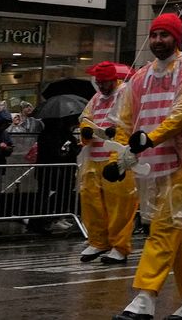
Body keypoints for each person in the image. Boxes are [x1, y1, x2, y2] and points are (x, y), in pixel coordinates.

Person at [110, 15, 182, 320]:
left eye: (164, 35)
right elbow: (126, 120)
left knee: (163, 228)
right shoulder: (141, 76)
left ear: (178, 38)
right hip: (152, 165)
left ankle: (145, 297)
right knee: (177, 230)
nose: (158, 40)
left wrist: (150, 138)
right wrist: (118, 157)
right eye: (154, 34)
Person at [76, 62, 133, 265]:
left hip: (114, 157)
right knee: (92, 203)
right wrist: (86, 130)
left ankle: (120, 246)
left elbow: (128, 123)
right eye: (98, 82)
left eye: (104, 82)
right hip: (93, 157)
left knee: (119, 206)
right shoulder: (96, 98)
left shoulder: (126, 93)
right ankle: (98, 241)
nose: (100, 86)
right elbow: (85, 117)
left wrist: (118, 157)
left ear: (113, 79)